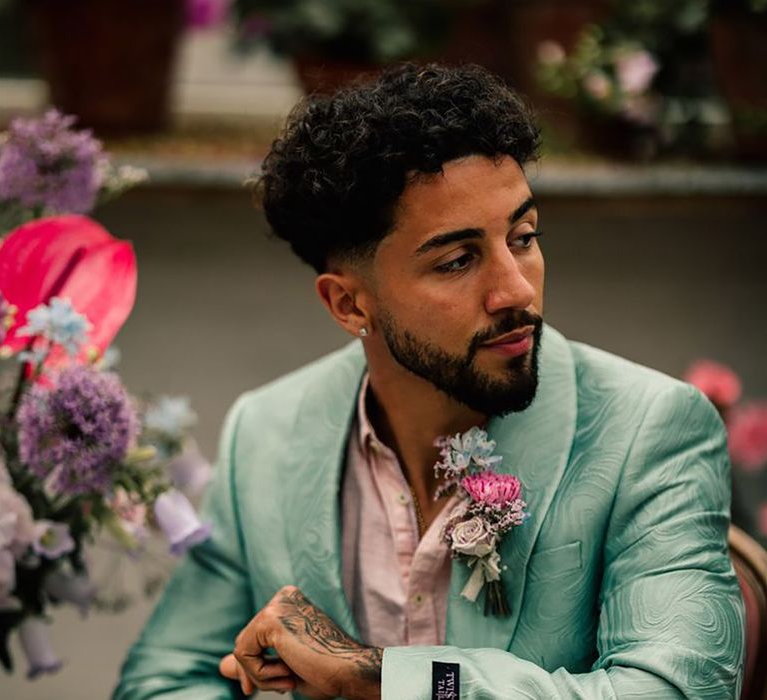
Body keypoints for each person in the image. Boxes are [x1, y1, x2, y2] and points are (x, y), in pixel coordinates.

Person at [114, 63, 744, 700]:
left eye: (523, 237)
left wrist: (380, 678)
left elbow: (679, 691)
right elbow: (162, 682)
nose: (516, 289)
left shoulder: (652, 429)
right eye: (457, 260)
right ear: (349, 305)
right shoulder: (267, 432)